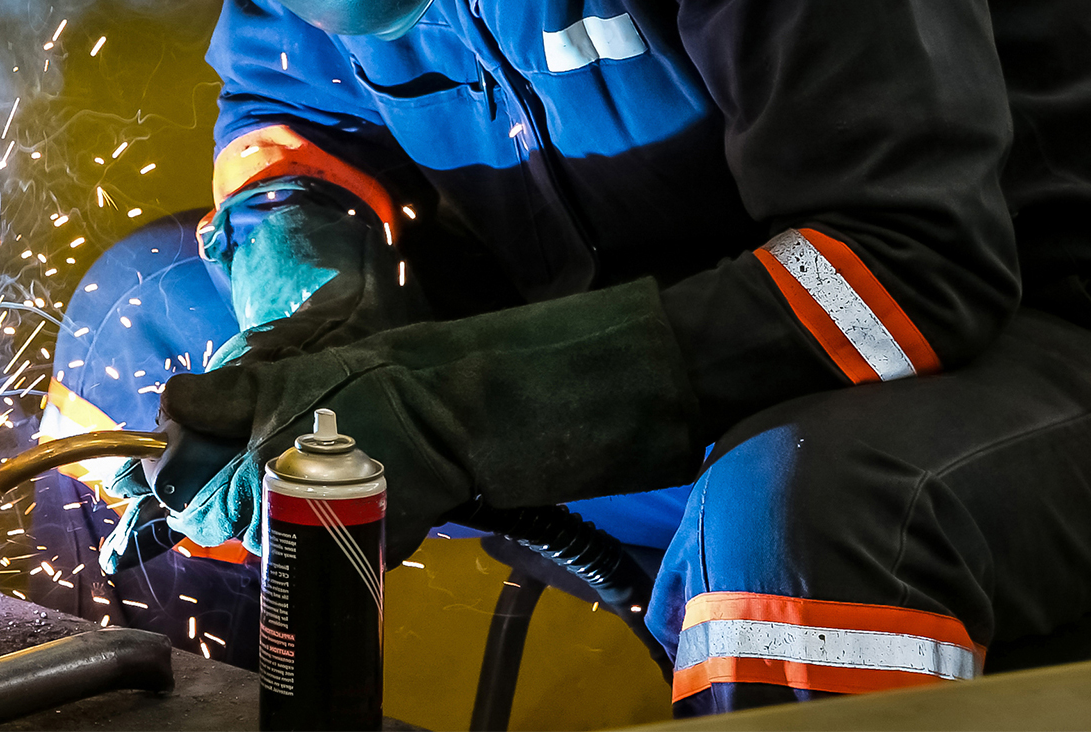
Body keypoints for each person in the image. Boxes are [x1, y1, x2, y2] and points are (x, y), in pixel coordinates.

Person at [74, 0, 1091, 717]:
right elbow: (292, 118)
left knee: (804, 511)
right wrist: (313, 305)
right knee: (150, 318)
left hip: (1006, 354)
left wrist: (450, 405)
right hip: (614, 352)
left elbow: (909, 271)